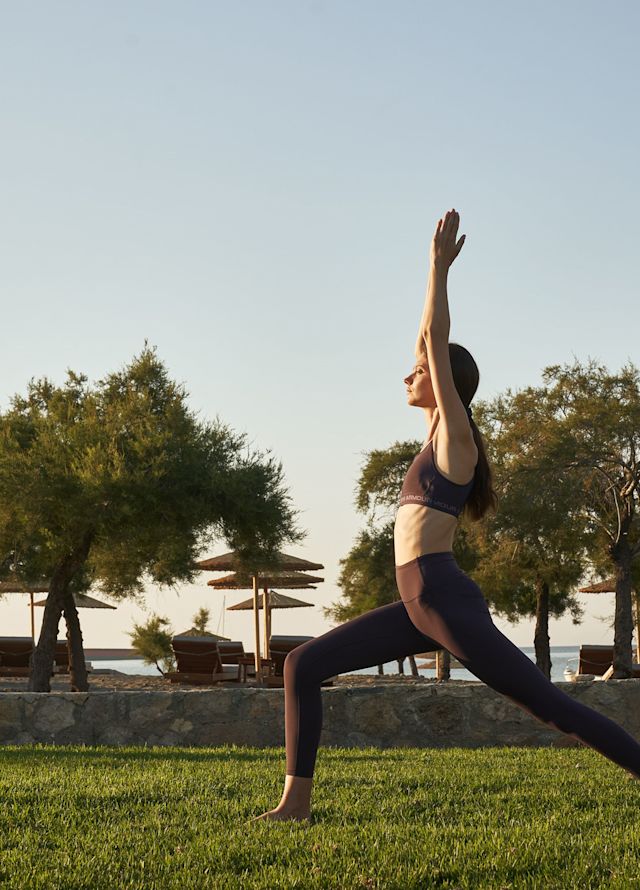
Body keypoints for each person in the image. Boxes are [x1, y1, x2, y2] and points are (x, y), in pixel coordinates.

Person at [249, 209, 640, 824]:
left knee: (552, 707)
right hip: (417, 603)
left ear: (448, 384)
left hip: (441, 596)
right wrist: (426, 295)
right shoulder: (432, 435)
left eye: (422, 370)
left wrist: (436, 270)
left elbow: (435, 338)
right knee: (303, 664)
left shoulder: (457, 441)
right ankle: (295, 803)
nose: (410, 371)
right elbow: (424, 340)